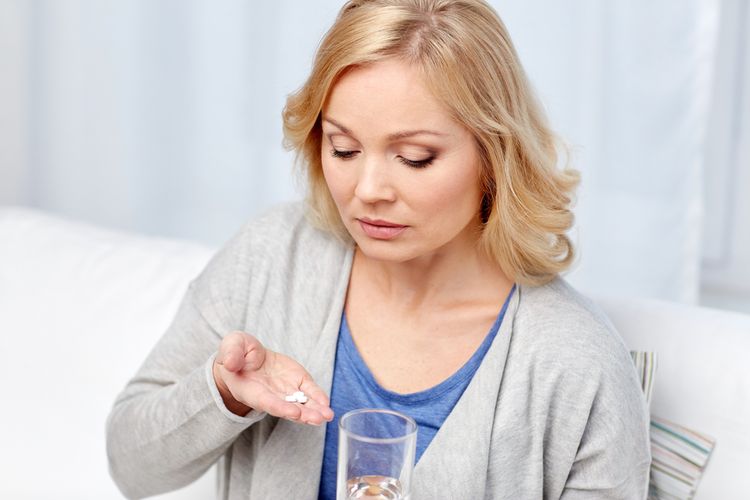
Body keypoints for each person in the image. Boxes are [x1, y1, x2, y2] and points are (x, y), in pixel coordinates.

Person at [106, 0, 651, 498]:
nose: (367, 190)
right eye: (343, 148)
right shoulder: (274, 255)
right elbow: (130, 465)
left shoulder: (574, 362)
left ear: (494, 157)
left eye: (414, 158)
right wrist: (224, 396)